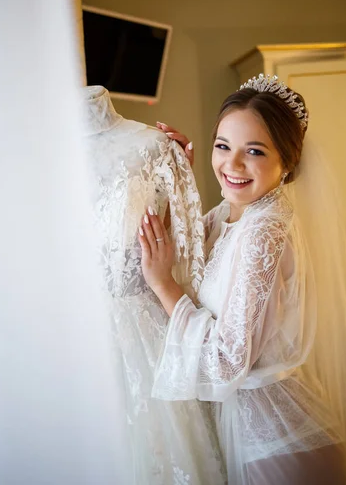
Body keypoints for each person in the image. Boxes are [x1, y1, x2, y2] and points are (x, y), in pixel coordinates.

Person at [138, 74, 346, 485]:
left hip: (282, 447)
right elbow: (192, 256)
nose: (232, 164)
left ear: (287, 163)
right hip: (256, 435)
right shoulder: (234, 214)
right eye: (223, 146)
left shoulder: (266, 230)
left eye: (255, 151)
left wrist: (163, 287)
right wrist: (179, 177)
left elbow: (227, 361)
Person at [82, 85, 225, 485]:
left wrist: (179, 171)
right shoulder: (19, 159)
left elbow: (181, 247)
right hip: (61, 333)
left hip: (142, 332)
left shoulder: (152, 147)